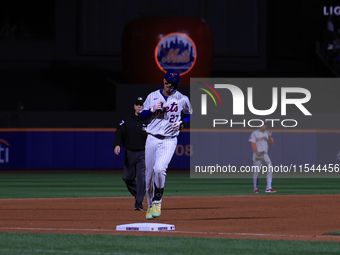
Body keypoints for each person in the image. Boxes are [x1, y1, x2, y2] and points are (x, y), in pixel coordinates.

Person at [140, 70, 193, 219]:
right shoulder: (153, 96)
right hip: (151, 138)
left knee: (159, 169)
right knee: (148, 179)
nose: (168, 84)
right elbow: (142, 116)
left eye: (171, 82)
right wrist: (151, 110)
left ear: (176, 85)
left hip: (169, 139)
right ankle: (150, 205)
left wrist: (182, 123)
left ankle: (158, 200)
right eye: (167, 81)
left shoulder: (182, 99)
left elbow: (189, 114)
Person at [113, 96, 148, 211]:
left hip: (144, 153)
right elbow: (119, 133)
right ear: (134, 106)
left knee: (142, 178)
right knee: (127, 177)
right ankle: (139, 194)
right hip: (130, 153)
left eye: (141, 104)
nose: (139, 106)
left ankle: (139, 203)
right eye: (137, 104)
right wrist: (117, 144)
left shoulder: (149, 120)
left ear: (144, 106)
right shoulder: (127, 120)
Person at [249, 121, 276, 194]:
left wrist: (270, 137)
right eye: (263, 125)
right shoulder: (255, 133)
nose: (264, 126)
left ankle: (269, 188)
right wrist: (256, 151)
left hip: (265, 154)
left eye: (266, 125)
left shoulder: (267, 133)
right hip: (258, 154)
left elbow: (271, 144)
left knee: (270, 168)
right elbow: (252, 143)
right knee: (256, 171)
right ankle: (255, 188)